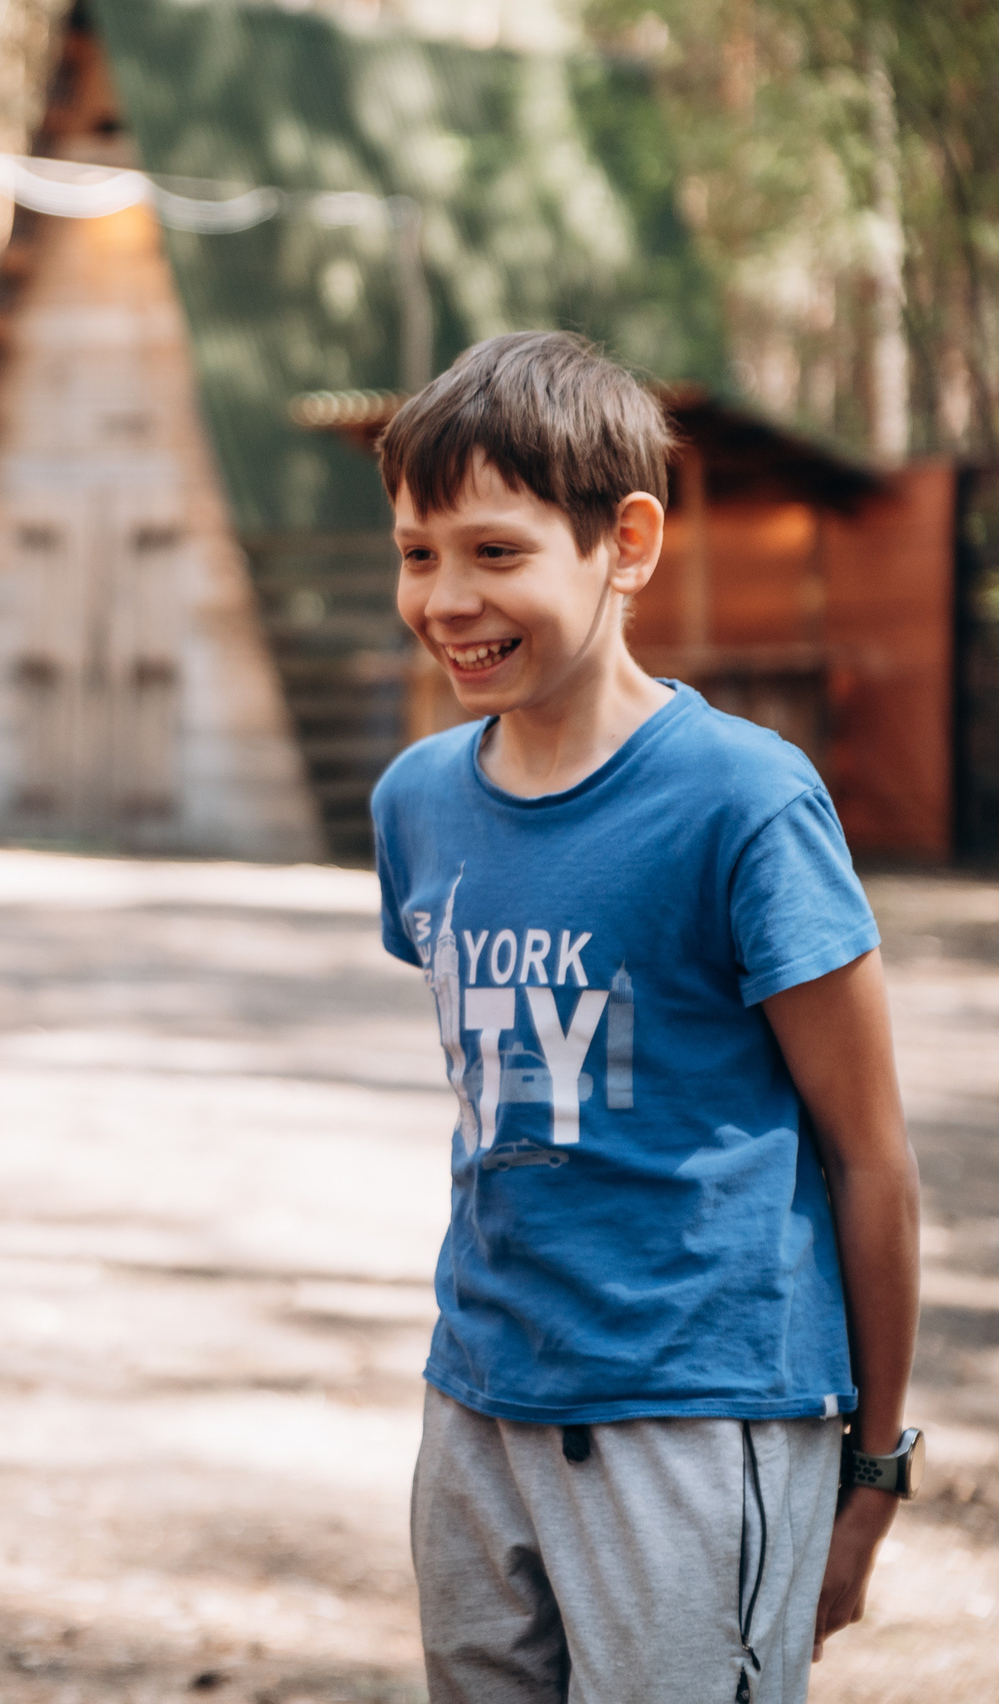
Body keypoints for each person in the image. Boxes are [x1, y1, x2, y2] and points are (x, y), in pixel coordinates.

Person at [368, 331, 922, 1704]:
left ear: (626, 541)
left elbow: (871, 1154)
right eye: (416, 553)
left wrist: (875, 1467)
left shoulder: (746, 803)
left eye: (495, 553)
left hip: (697, 1416)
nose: (445, 598)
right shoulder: (416, 802)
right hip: (478, 1404)